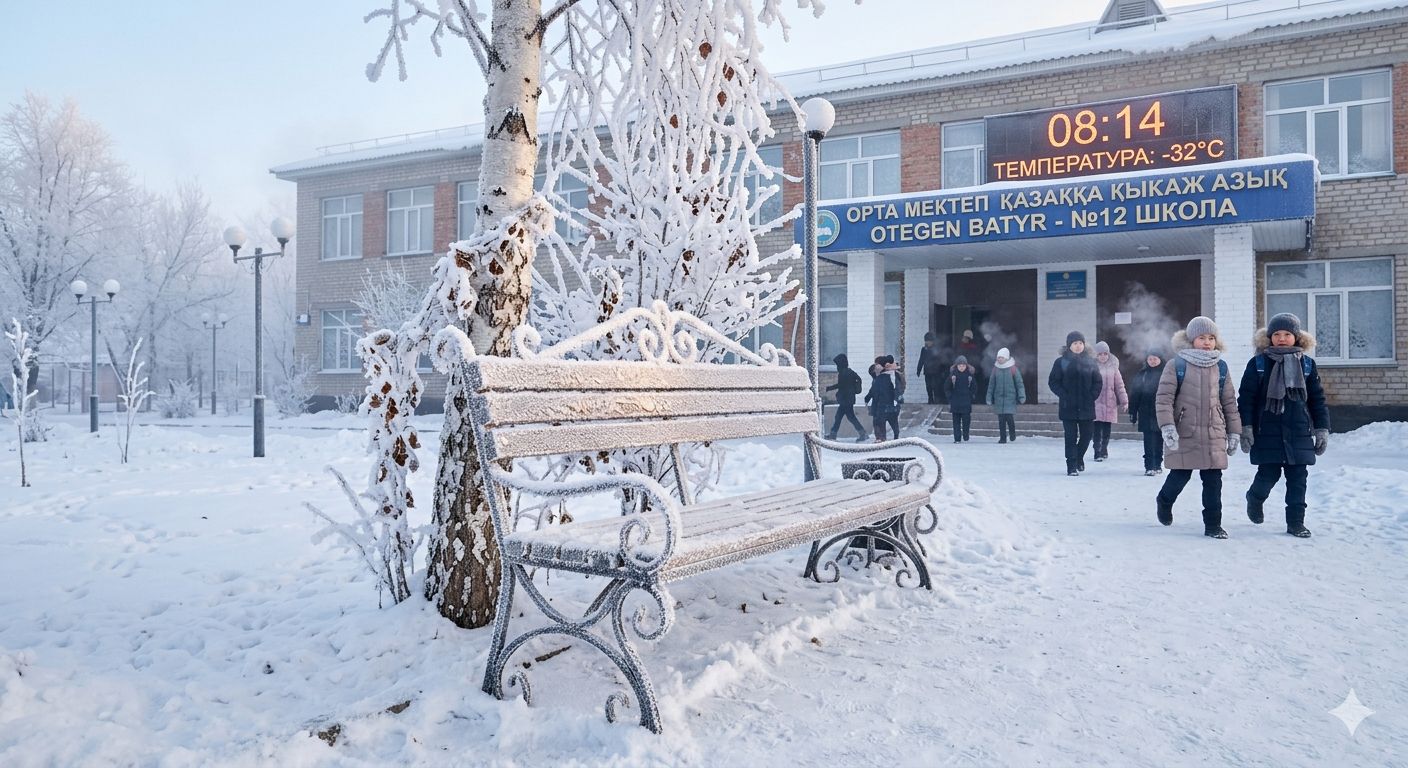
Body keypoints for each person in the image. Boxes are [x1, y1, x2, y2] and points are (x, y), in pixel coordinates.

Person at [1237, 313, 1330, 538]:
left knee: (1298, 479)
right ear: (1269, 337)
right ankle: (1255, 498)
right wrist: (1246, 427)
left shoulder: (1307, 364)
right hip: (1267, 430)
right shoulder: (1258, 363)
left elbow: (1316, 399)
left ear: (1296, 337)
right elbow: (1246, 398)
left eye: (1287, 334)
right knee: (1268, 475)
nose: (1281, 338)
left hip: (1298, 431)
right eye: (1276, 334)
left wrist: (1322, 428)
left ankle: (1296, 523)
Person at [1154, 316, 1242, 539]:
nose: (1207, 342)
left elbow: (1229, 401)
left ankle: (1213, 525)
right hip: (1185, 432)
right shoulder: (1177, 365)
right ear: (1191, 339)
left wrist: (1234, 431)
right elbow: (1164, 399)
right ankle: (1164, 501)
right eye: (1202, 337)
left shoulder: (1221, 367)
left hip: (1214, 432)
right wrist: (1167, 427)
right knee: (1180, 476)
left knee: (1213, 481)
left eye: (1211, 338)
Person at [1048, 331, 1102, 476]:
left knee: (1087, 436)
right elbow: (1053, 382)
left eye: (1080, 343)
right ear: (1069, 345)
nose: (1078, 346)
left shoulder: (1091, 361)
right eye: (1074, 343)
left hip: (1086, 406)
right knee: (1070, 437)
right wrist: (1064, 395)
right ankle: (1071, 465)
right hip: (1068, 407)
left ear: (1084, 345)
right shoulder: (1061, 362)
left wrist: (1092, 396)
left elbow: (1098, 381)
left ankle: (1079, 458)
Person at [1128, 348, 1169, 476]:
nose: (1152, 361)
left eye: (1155, 358)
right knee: (1148, 439)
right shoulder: (1142, 374)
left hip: (1161, 411)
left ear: (1160, 360)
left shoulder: (1166, 374)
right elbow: (1135, 394)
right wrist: (1133, 411)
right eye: (1150, 358)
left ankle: (1157, 464)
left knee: (1158, 439)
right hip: (1145, 411)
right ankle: (1149, 466)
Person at [1091, 341, 1129, 462]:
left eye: (1105, 354)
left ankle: (1104, 449)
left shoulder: (1114, 368)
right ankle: (1097, 451)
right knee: (1096, 430)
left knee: (1106, 430)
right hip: (1096, 402)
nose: (1103, 356)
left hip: (1109, 403)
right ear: (1096, 355)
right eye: (1100, 354)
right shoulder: (1091, 368)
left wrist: (1124, 401)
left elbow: (1120, 386)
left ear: (1108, 354)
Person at [824, 353, 868, 443]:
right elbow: (857, 379)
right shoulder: (849, 371)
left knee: (843, 417)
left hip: (846, 400)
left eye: (837, 364)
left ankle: (862, 433)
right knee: (845, 417)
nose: (836, 366)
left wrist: (830, 388)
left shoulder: (844, 373)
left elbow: (841, 385)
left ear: (841, 363)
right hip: (848, 399)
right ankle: (862, 433)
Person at [986, 347, 1025, 443]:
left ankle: (1012, 433)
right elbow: (991, 385)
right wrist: (989, 397)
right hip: (999, 398)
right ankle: (1002, 438)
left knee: (1009, 418)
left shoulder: (1013, 369)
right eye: (998, 357)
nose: (999, 359)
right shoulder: (995, 369)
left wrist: (1021, 396)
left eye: (1001, 357)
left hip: (1010, 398)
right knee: (1001, 420)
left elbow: (1019, 384)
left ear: (1006, 358)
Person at [864, 355, 903, 442]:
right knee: (893, 421)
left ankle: (881, 438)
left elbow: (874, 391)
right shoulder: (895, 375)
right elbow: (899, 388)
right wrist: (898, 399)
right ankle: (896, 436)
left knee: (879, 422)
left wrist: (867, 399)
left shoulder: (880, 378)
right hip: (893, 404)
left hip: (882, 405)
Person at [945, 355, 976, 443]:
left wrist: (971, 396)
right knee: (956, 422)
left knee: (966, 421)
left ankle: (966, 434)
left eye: (963, 366)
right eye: (959, 366)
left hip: (966, 402)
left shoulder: (969, 376)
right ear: (956, 366)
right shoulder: (952, 376)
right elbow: (947, 387)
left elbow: (974, 387)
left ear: (966, 366)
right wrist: (950, 396)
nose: (961, 367)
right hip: (955, 403)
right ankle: (957, 438)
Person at [916, 332, 943, 404]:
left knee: (935, 386)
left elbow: (940, 360)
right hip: (927, 371)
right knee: (928, 386)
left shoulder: (936, 349)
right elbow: (921, 359)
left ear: (932, 341)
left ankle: (937, 399)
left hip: (935, 371)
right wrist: (918, 369)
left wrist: (940, 370)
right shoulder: (924, 349)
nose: (927, 342)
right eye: (926, 341)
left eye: (929, 341)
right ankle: (930, 399)